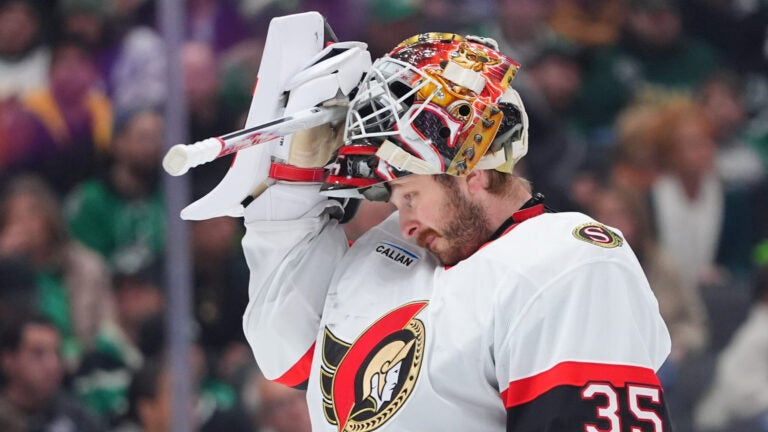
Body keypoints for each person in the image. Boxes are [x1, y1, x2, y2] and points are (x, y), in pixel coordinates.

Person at [238, 33, 672, 431]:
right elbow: (290, 360)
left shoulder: (570, 263)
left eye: (410, 194)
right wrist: (290, 196)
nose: (404, 222)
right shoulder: (387, 250)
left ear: (473, 173)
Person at [0, 315, 105, 432]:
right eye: (38, 353)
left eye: (57, 352)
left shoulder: (77, 418)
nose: (52, 364)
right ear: (8, 360)